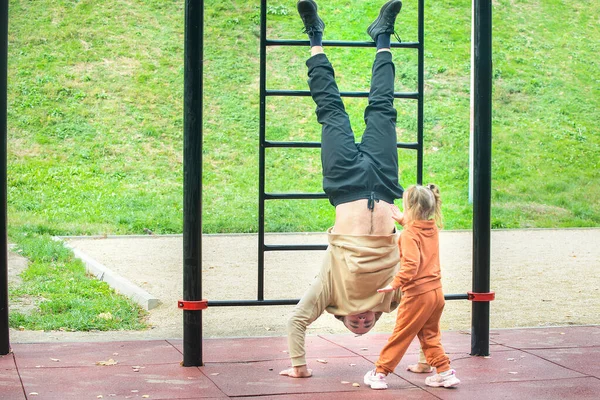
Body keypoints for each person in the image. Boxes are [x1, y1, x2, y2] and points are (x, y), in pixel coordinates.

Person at [280, 0, 414, 379]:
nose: (361, 322)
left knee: (331, 110)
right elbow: (422, 311)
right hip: (386, 184)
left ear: (341, 318)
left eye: (354, 326)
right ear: (375, 319)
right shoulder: (391, 299)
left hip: (344, 183)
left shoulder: (330, 295)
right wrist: (427, 358)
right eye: (366, 327)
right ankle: (383, 35)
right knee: (383, 107)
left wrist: (299, 367)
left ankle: (315, 36)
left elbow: (297, 321)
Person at [363, 184, 461, 390]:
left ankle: (379, 373)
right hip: (436, 293)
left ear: (412, 208)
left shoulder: (408, 235)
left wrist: (394, 284)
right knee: (430, 335)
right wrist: (402, 220)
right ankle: (445, 372)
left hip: (418, 294)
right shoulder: (431, 227)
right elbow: (417, 227)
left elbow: (411, 266)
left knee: (401, 334)